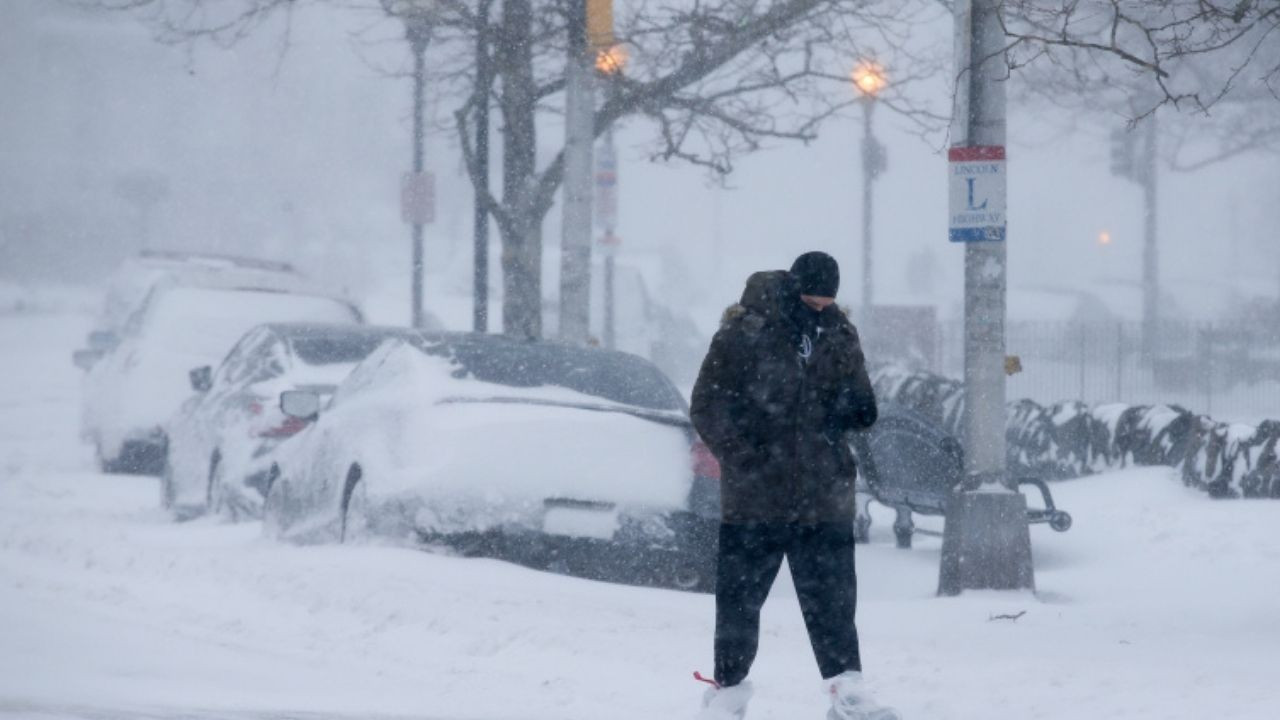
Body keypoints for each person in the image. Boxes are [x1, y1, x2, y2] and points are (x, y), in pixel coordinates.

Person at [689, 252, 897, 720]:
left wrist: (853, 407)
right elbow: (706, 403)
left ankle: (848, 693)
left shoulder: (840, 332)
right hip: (755, 498)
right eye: (812, 301)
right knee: (740, 603)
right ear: (792, 291)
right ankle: (726, 693)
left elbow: (863, 405)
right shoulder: (745, 333)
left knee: (834, 603)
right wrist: (745, 458)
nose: (820, 311)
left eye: (828, 303)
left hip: (823, 495)